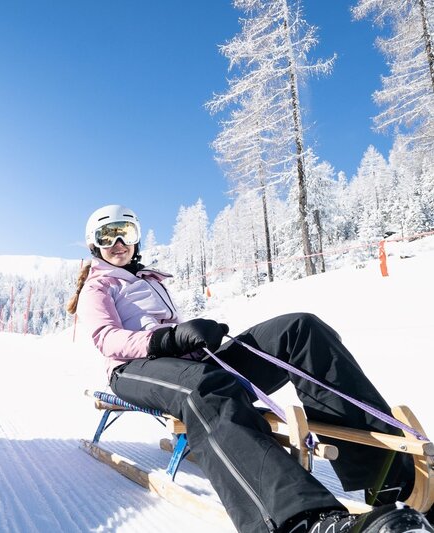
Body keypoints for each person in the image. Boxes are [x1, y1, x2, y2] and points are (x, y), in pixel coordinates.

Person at [67, 204, 433, 533]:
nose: (117, 242)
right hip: (132, 368)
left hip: (184, 362)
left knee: (300, 330)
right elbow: (107, 339)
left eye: (125, 233)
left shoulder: (150, 278)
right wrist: (168, 340)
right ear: (93, 244)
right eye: (107, 235)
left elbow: (173, 332)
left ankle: (391, 481)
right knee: (206, 389)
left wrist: (196, 336)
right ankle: (300, 519)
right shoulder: (97, 286)